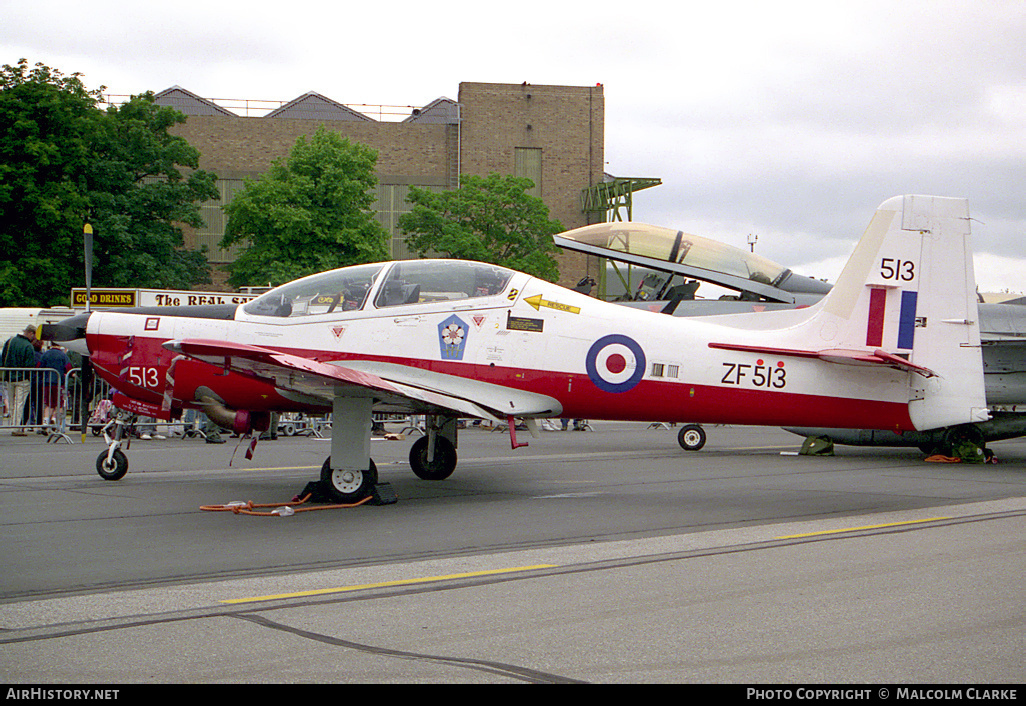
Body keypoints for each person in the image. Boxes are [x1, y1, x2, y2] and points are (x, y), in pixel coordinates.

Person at [2, 326, 38, 436]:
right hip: (22, 379)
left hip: (9, 377)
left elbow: (3, 357)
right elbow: (29, 365)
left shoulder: (10, 341)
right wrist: (28, 377)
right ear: (31, 334)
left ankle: (13, 424)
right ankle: (17, 426)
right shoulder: (28, 346)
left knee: (12, 402)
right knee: (19, 402)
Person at [38, 343, 71, 429]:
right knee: (59, 404)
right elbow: (68, 368)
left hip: (46, 383)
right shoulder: (63, 355)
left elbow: (39, 366)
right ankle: (55, 421)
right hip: (59, 383)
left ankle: (45, 422)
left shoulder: (45, 354)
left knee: (48, 404)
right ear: (59, 345)